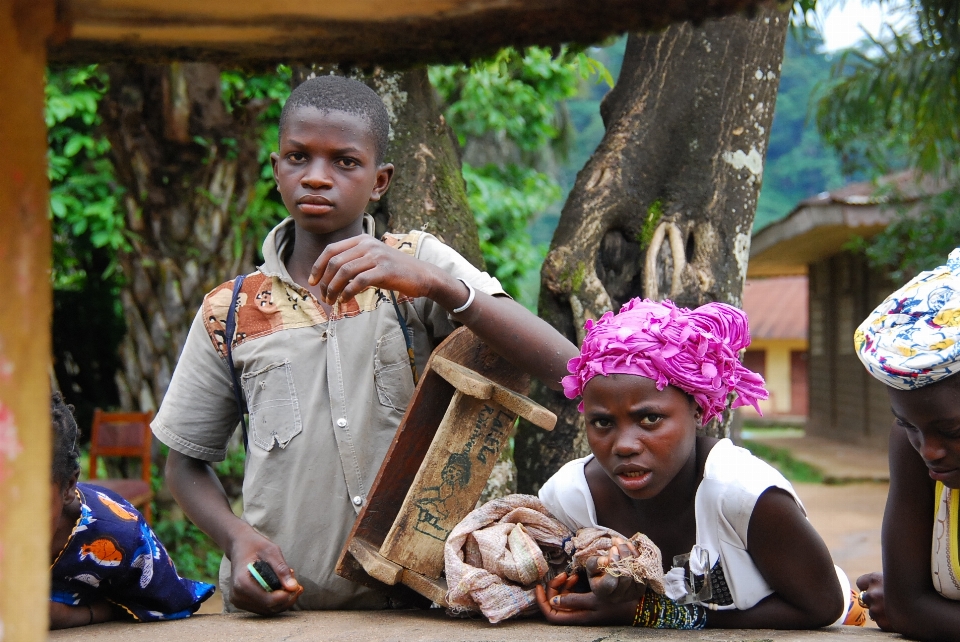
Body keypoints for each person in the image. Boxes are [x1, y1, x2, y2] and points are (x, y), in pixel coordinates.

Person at [152, 75, 577, 615]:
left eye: (345, 162)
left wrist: (438, 284)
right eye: (298, 157)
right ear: (276, 168)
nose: (317, 177)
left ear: (380, 180)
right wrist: (238, 541)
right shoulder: (230, 310)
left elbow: (564, 365)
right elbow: (185, 464)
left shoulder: (416, 265)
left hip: (420, 607)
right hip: (281, 613)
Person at [534, 298, 862, 629]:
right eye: (603, 423)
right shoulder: (570, 500)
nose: (624, 445)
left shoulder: (743, 495)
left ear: (697, 410)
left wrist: (658, 614)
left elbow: (823, 606)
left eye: (650, 418)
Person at [853, 247, 960, 639]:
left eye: (953, 433)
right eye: (908, 424)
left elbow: (909, 609)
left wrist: (928, 616)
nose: (928, 450)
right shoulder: (912, 447)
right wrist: (915, 611)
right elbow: (907, 605)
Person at [49, 392, 214, 628]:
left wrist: (70, 616)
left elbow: (167, 604)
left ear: (67, 486)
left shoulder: (125, 539)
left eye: (26, 504)